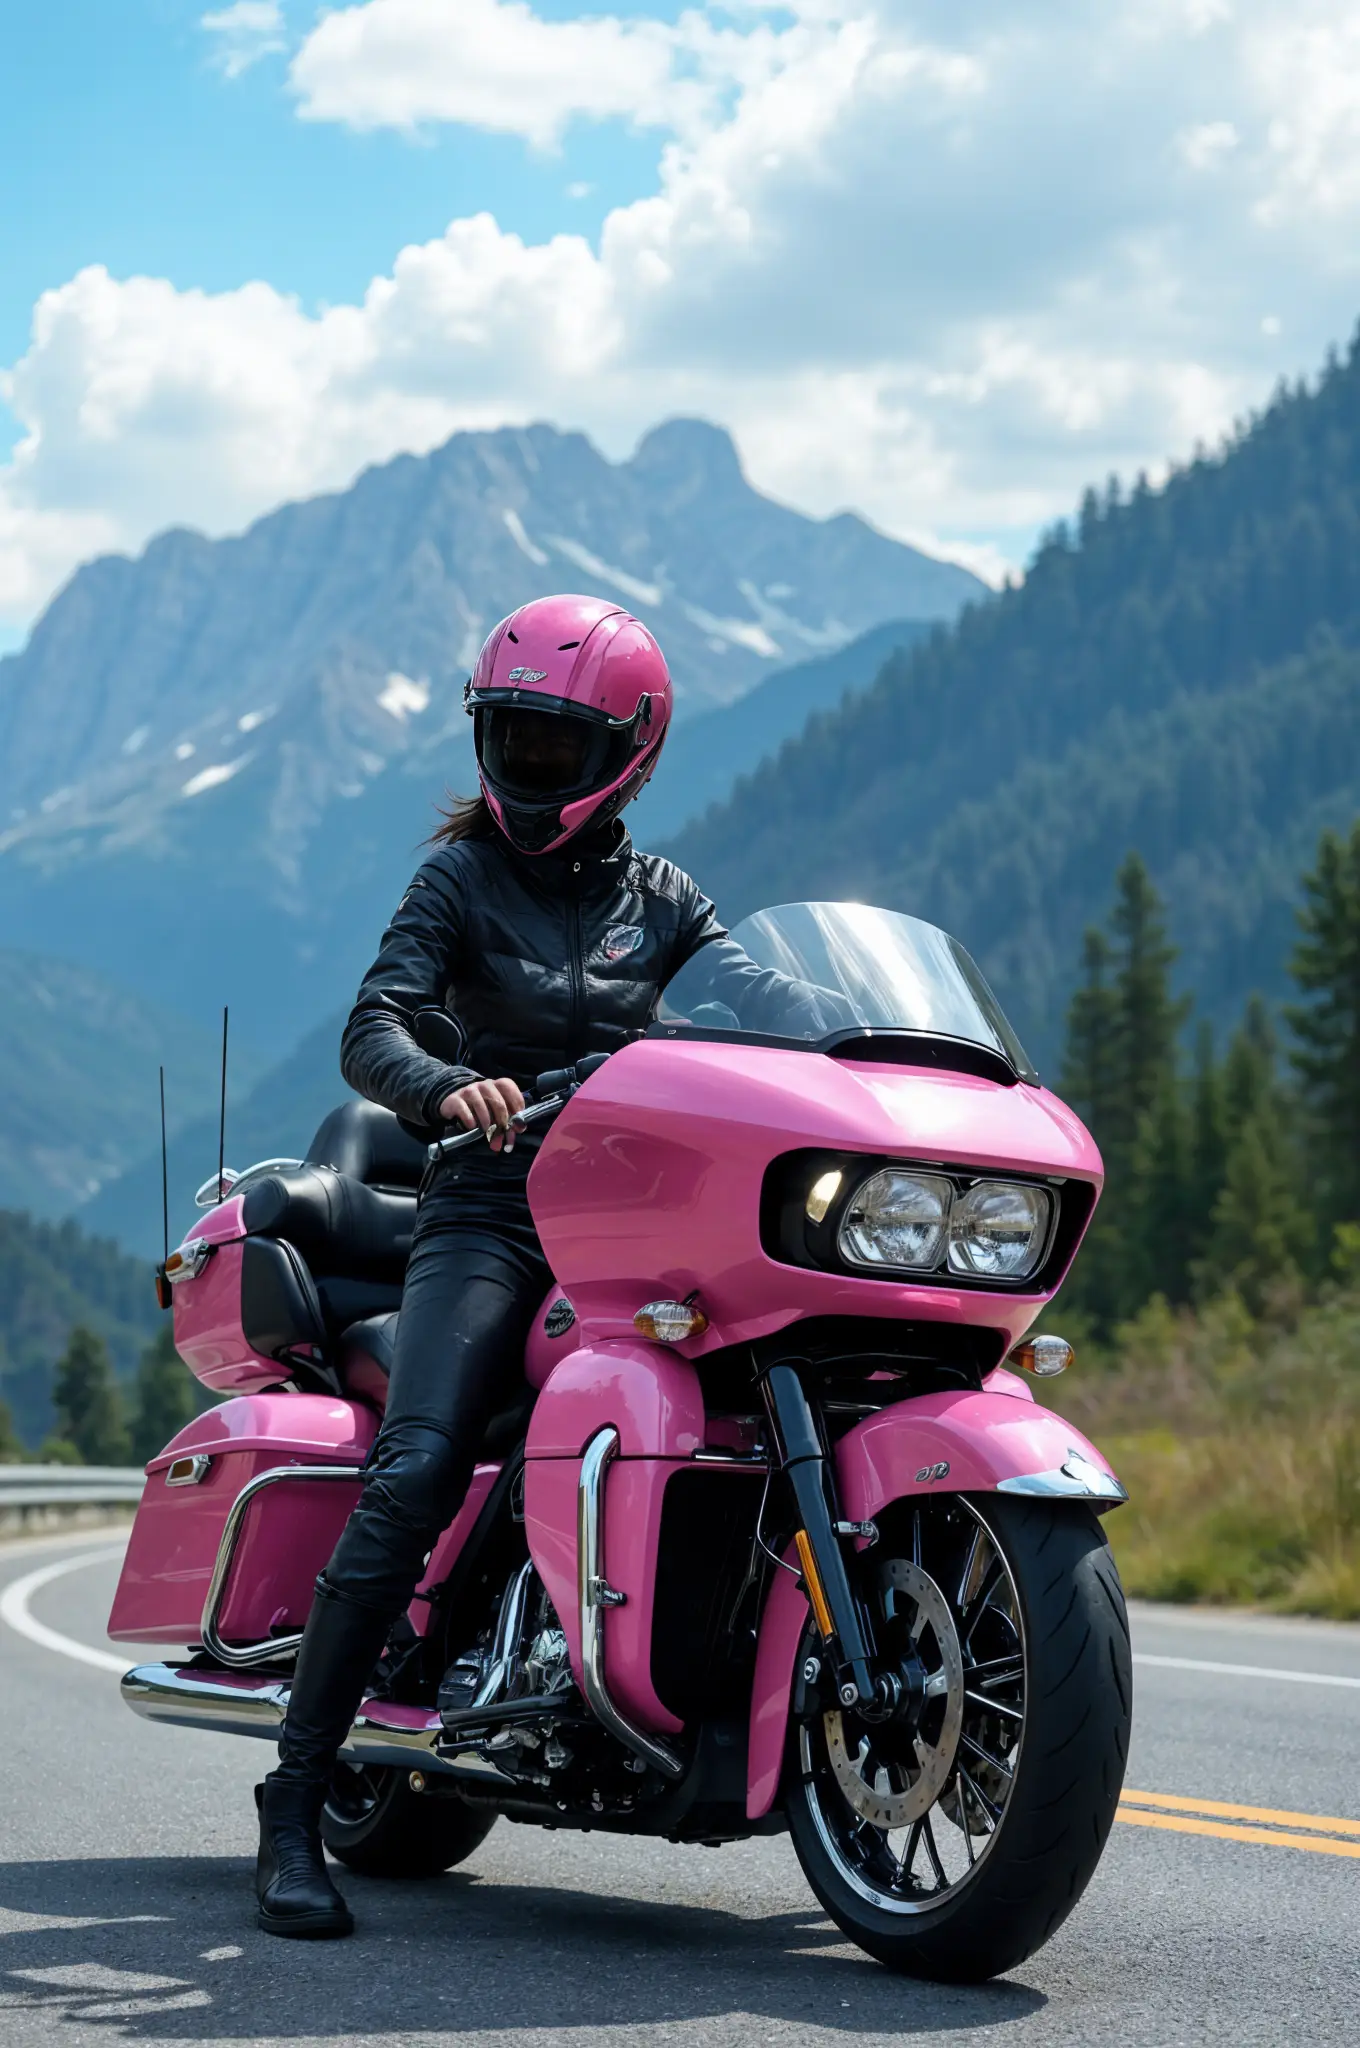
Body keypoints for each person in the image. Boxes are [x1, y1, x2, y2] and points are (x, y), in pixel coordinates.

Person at [254, 592, 821, 1938]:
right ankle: (293, 1798)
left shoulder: (664, 900)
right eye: (507, 740)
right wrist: (446, 1087)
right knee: (425, 1452)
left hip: (641, 1217)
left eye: (553, 749)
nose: (523, 772)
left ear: (628, 753)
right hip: (491, 1212)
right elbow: (373, 1022)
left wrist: (879, 1053)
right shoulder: (455, 881)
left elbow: (775, 1005)